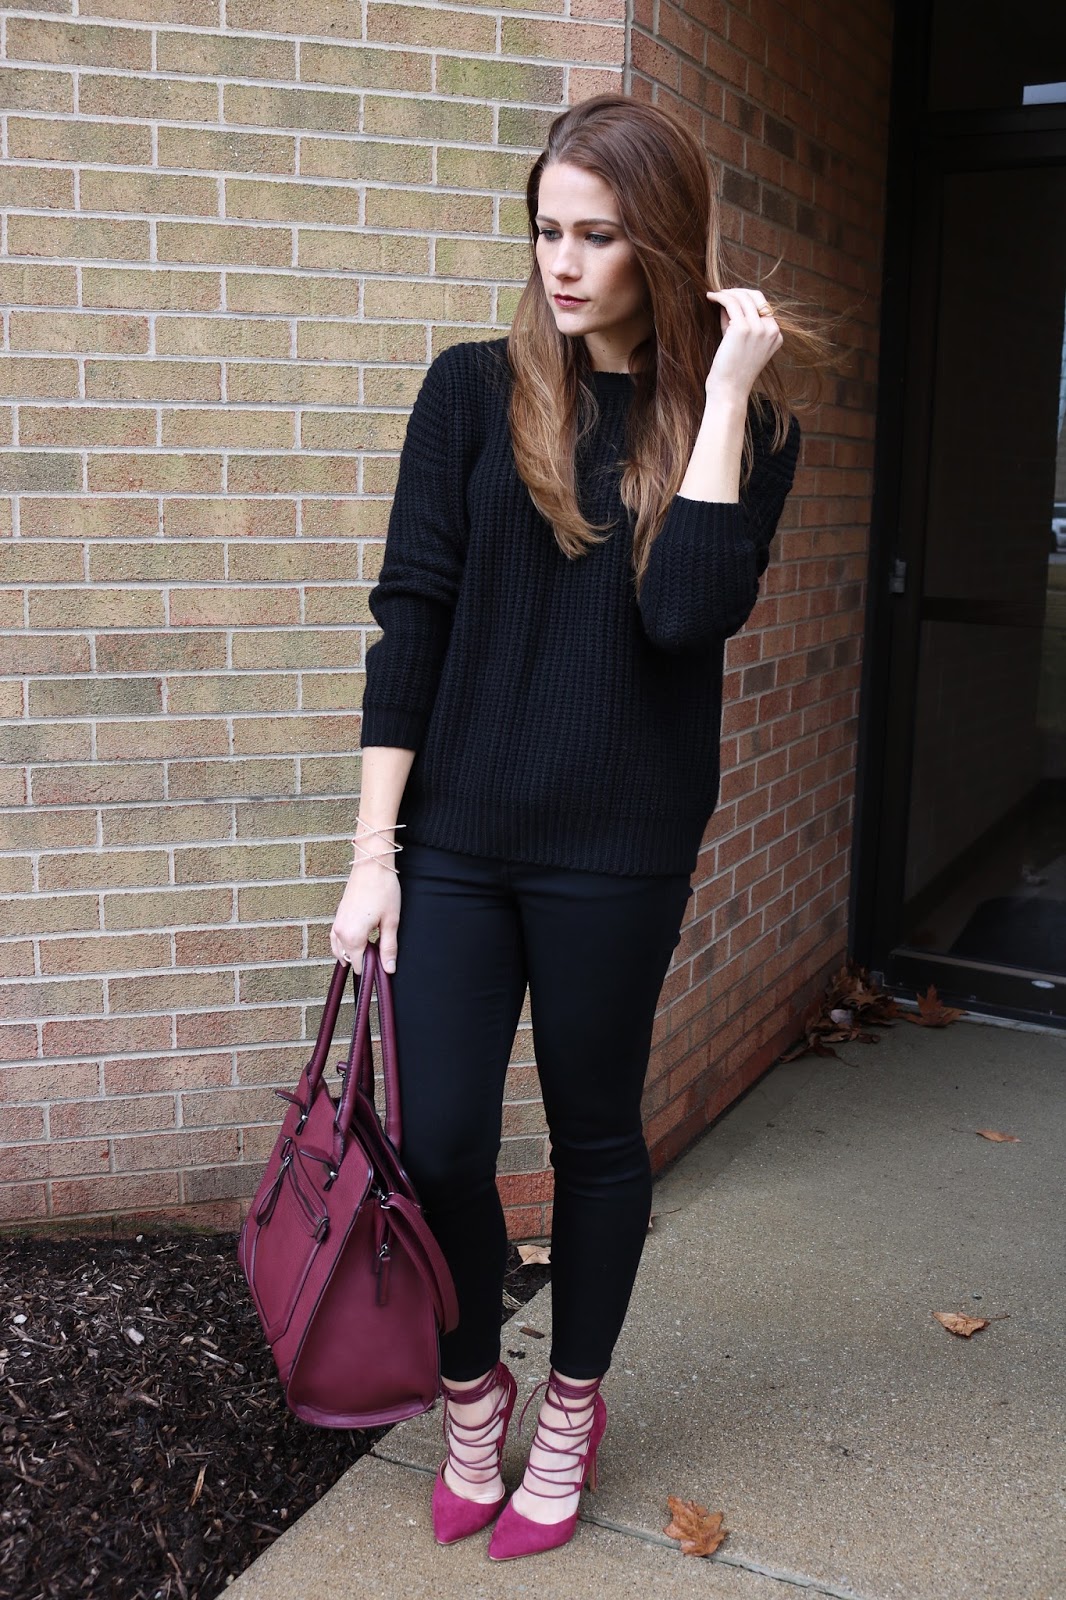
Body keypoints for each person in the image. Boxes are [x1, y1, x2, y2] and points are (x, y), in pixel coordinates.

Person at [329, 93, 830, 1561]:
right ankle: (472, 1391)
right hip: (458, 837)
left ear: (659, 245)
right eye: (546, 230)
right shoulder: (470, 392)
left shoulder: (751, 427)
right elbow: (410, 620)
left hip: (619, 844)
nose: (561, 262)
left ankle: (570, 1410)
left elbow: (685, 614)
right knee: (438, 1142)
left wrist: (722, 394)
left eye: (597, 236)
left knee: (595, 1135)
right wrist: (372, 857)